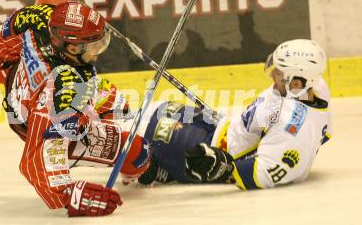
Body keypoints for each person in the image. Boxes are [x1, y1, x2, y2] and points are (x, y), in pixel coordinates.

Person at [0, 1, 152, 217]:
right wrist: (69, 195)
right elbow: (36, 159)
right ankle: (137, 169)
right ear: (71, 47)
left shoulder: (39, 17)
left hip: (18, 87)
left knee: (118, 106)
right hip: (33, 123)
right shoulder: (68, 93)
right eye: (94, 47)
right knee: (139, 153)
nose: (99, 53)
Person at [135, 39, 332, 189]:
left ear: (296, 83)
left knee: (138, 131)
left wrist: (222, 166)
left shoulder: (292, 131)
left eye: (279, 74)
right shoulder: (316, 88)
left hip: (213, 149)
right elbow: (324, 135)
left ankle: (162, 168)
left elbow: (260, 174)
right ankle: (164, 166)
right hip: (221, 127)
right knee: (156, 108)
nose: (273, 76)